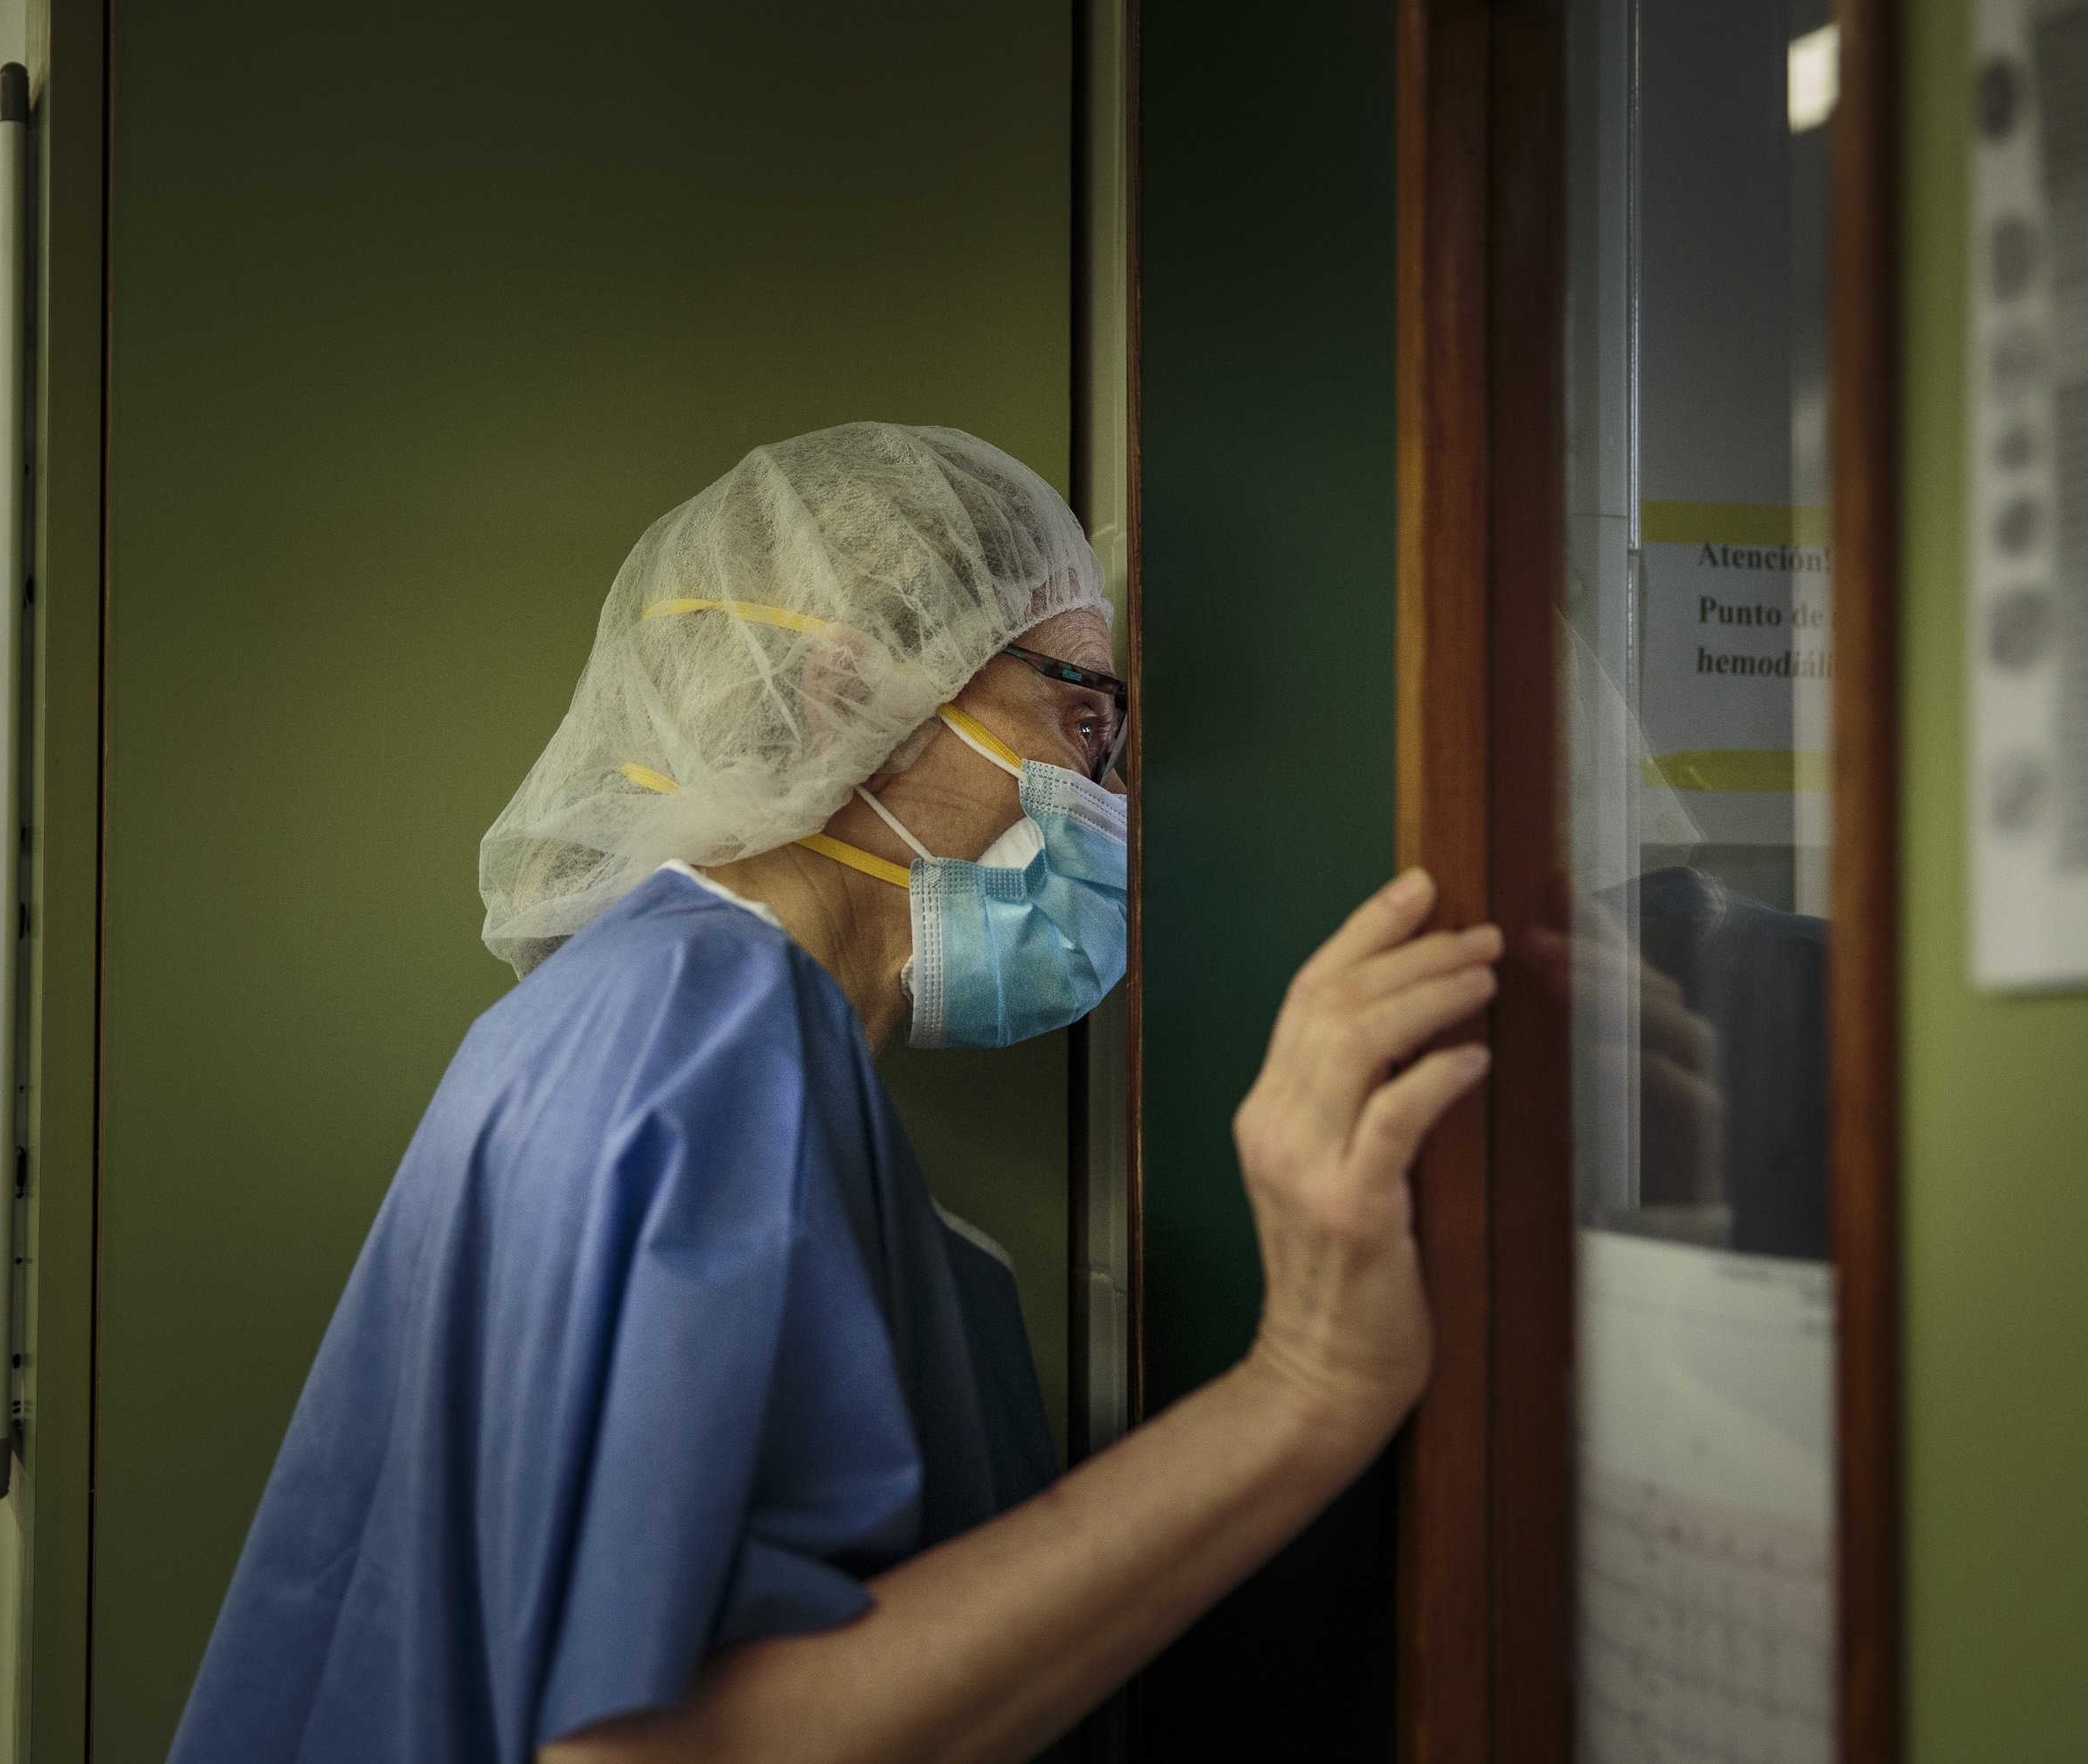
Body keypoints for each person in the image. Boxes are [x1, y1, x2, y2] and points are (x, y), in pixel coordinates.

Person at [168, 423, 1500, 1764]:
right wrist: (1306, 1385)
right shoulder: (694, 1033)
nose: (1116, 798)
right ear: (838, 706)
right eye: (1082, 717)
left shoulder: (666, 1027)